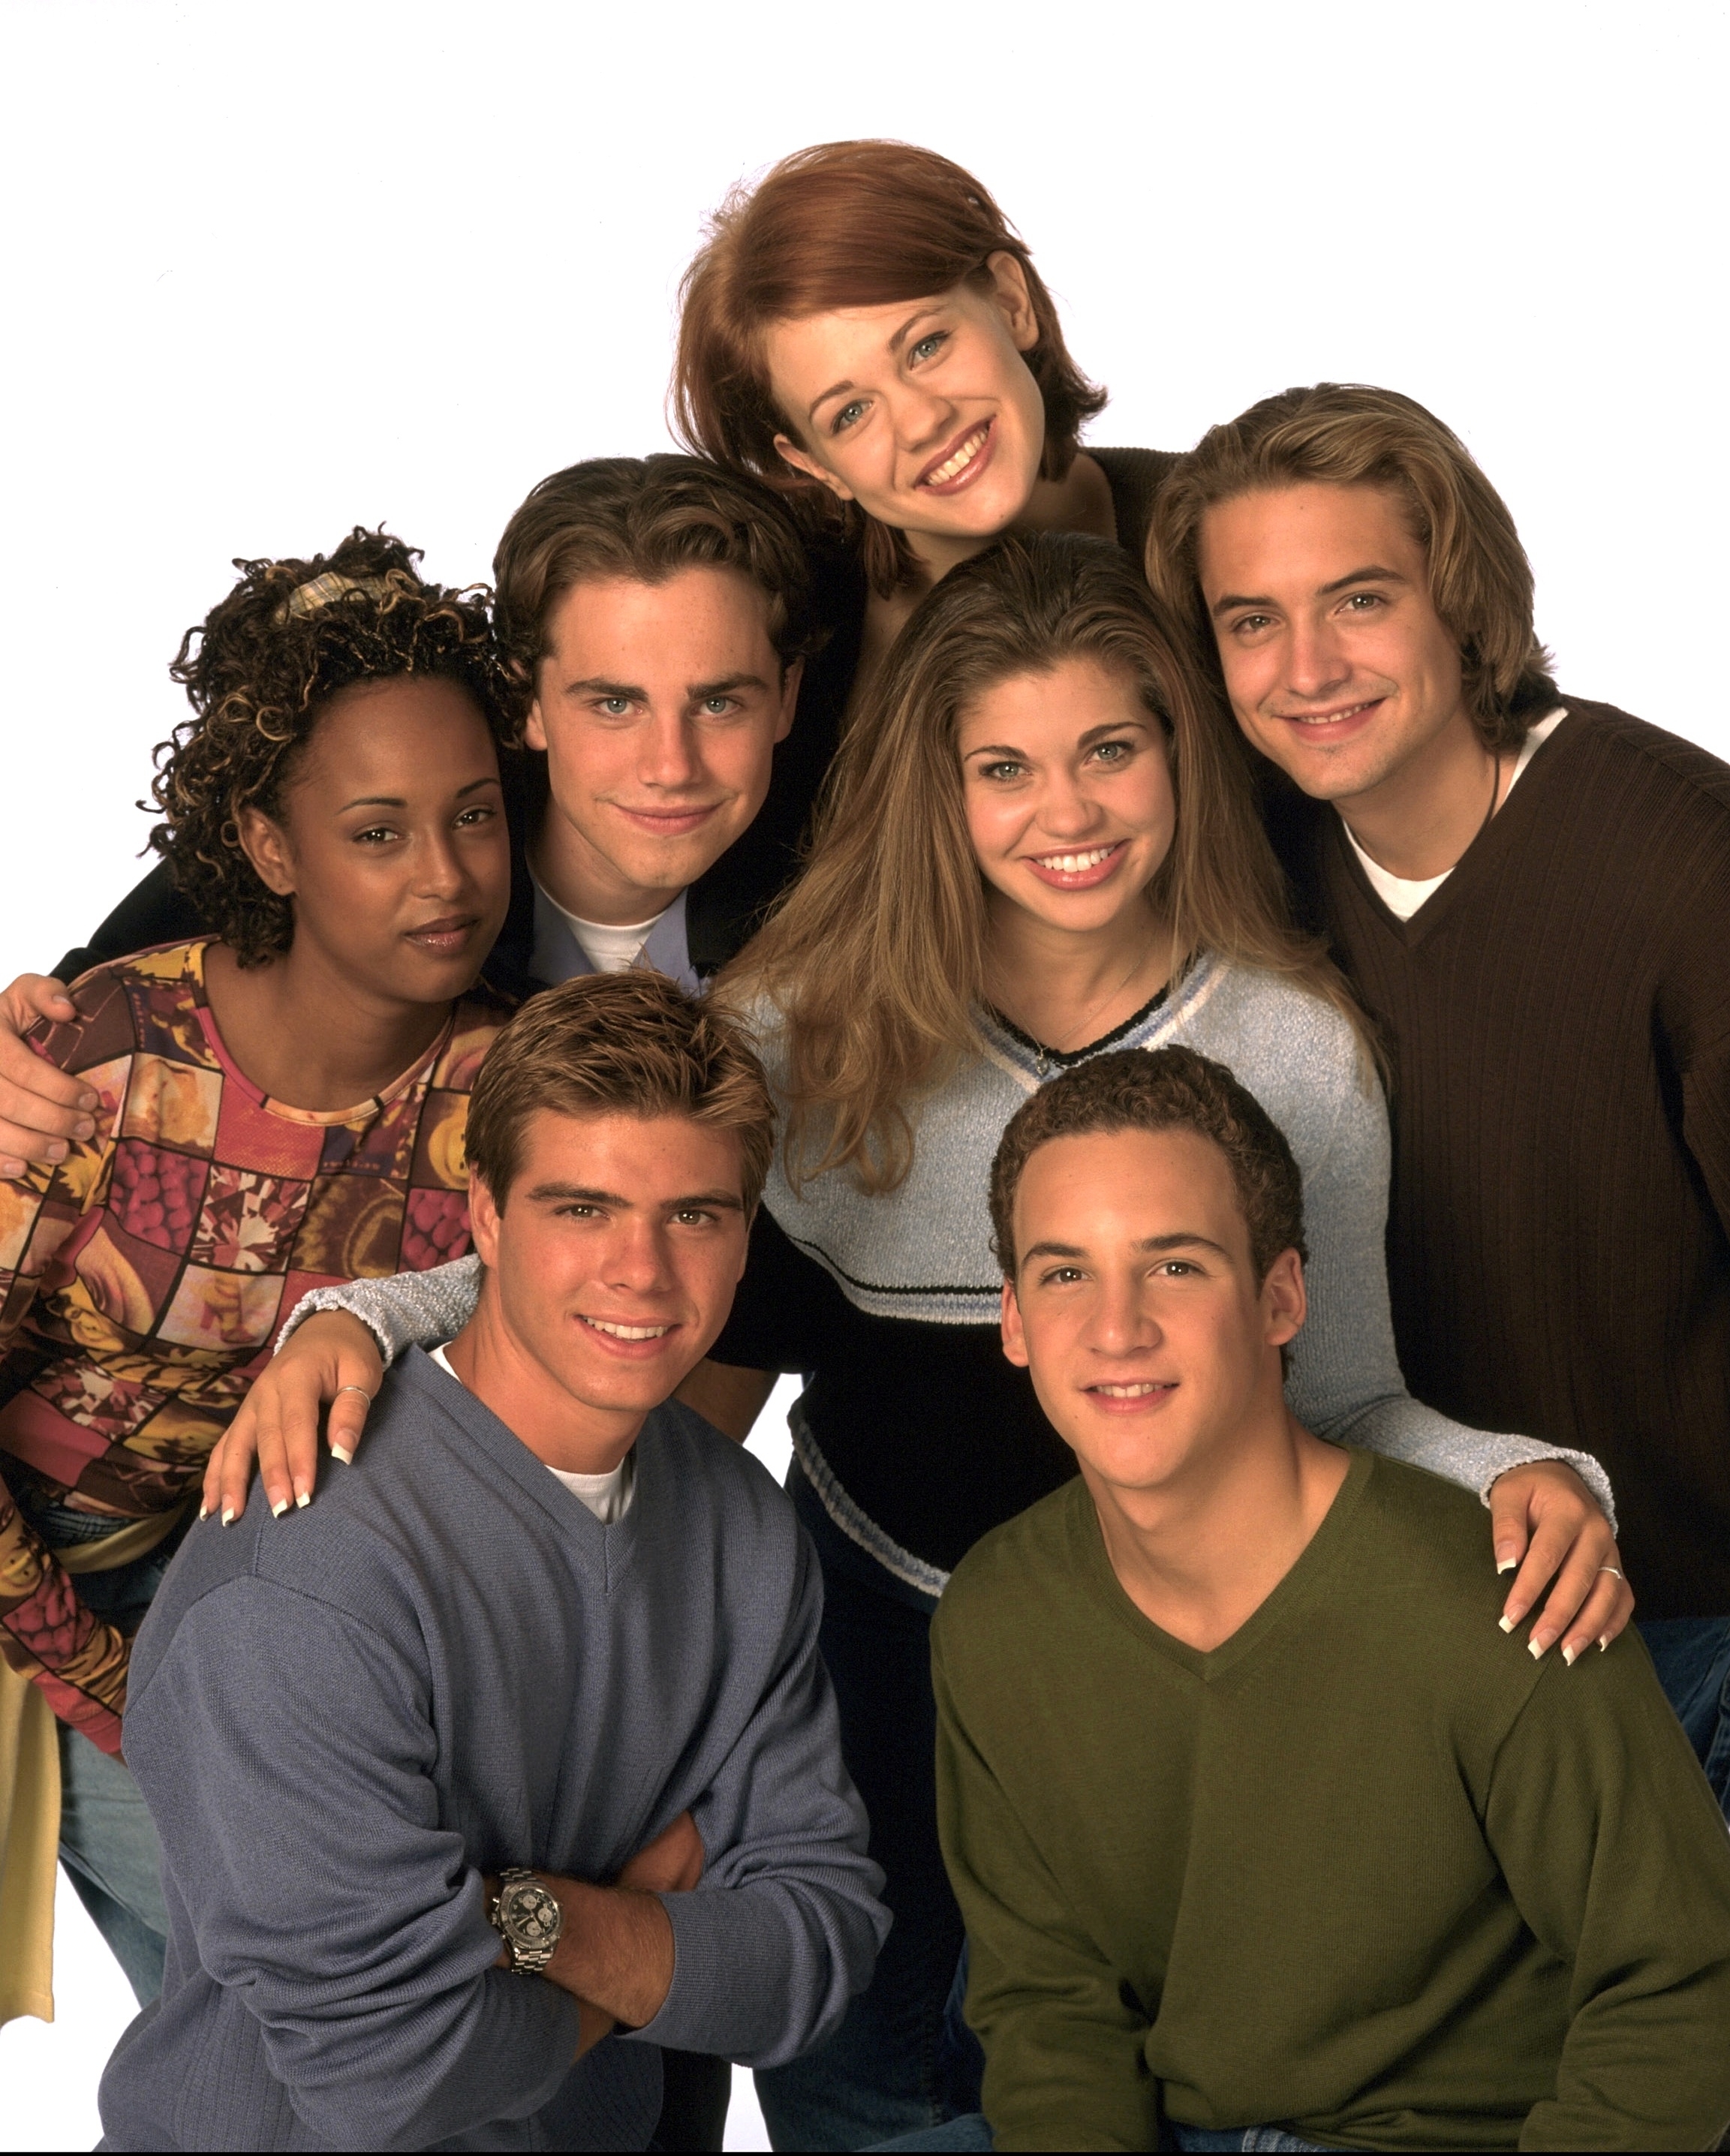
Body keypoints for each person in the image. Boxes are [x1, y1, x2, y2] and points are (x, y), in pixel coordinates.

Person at [233, 535, 1629, 2150]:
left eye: (1111, 749)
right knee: (868, 2078)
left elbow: (1351, 1396)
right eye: (1005, 766)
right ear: (936, 785)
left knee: (1134, 2085)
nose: (1070, 809)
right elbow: (608, 1244)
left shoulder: (1291, 1043)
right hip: (862, 1649)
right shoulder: (811, 1018)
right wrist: (360, 1313)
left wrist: (1524, 1468)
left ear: (1180, 751)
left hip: (1160, 1684)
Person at [96, 971, 889, 2153]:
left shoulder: (742, 1527)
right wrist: (658, 1906)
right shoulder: (303, 1575)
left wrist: (526, 1919)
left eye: (694, 1215)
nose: (641, 1270)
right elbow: (391, 2083)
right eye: (582, 1208)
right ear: (483, 1217)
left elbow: (814, 1952)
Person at [919, 1045, 1730, 2154]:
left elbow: (1683, 1981)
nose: (1116, 1329)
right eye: (1065, 1274)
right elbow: (1049, 2014)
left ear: (1281, 1297)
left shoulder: (1498, 1596)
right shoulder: (997, 1618)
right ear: (1012, 1320)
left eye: (1174, 1267)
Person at [1145, 382, 1730, 1812]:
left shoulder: (1683, 866)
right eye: (1250, 619)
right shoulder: (1260, 862)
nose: (1307, 665)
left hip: (1689, 1624)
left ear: (1459, 602)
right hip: (1403, 1627)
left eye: (1358, 599)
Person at [0, 528, 515, 2025]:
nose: (446, 876)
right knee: (266, 2015)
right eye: (378, 830)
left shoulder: (502, 1083)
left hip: (236, 1585)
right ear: (271, 846)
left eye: (475, 815)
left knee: (367, 2003)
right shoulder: (101, 1058)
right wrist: (104, 1679)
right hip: (36, 1588)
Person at [0, 454, 824, 1172]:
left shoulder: (839, 895)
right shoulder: (424, 809)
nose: (669, 766)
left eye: (719, 703)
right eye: (613, 703)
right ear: (525, 698)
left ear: (787, 697)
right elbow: (85, 991)